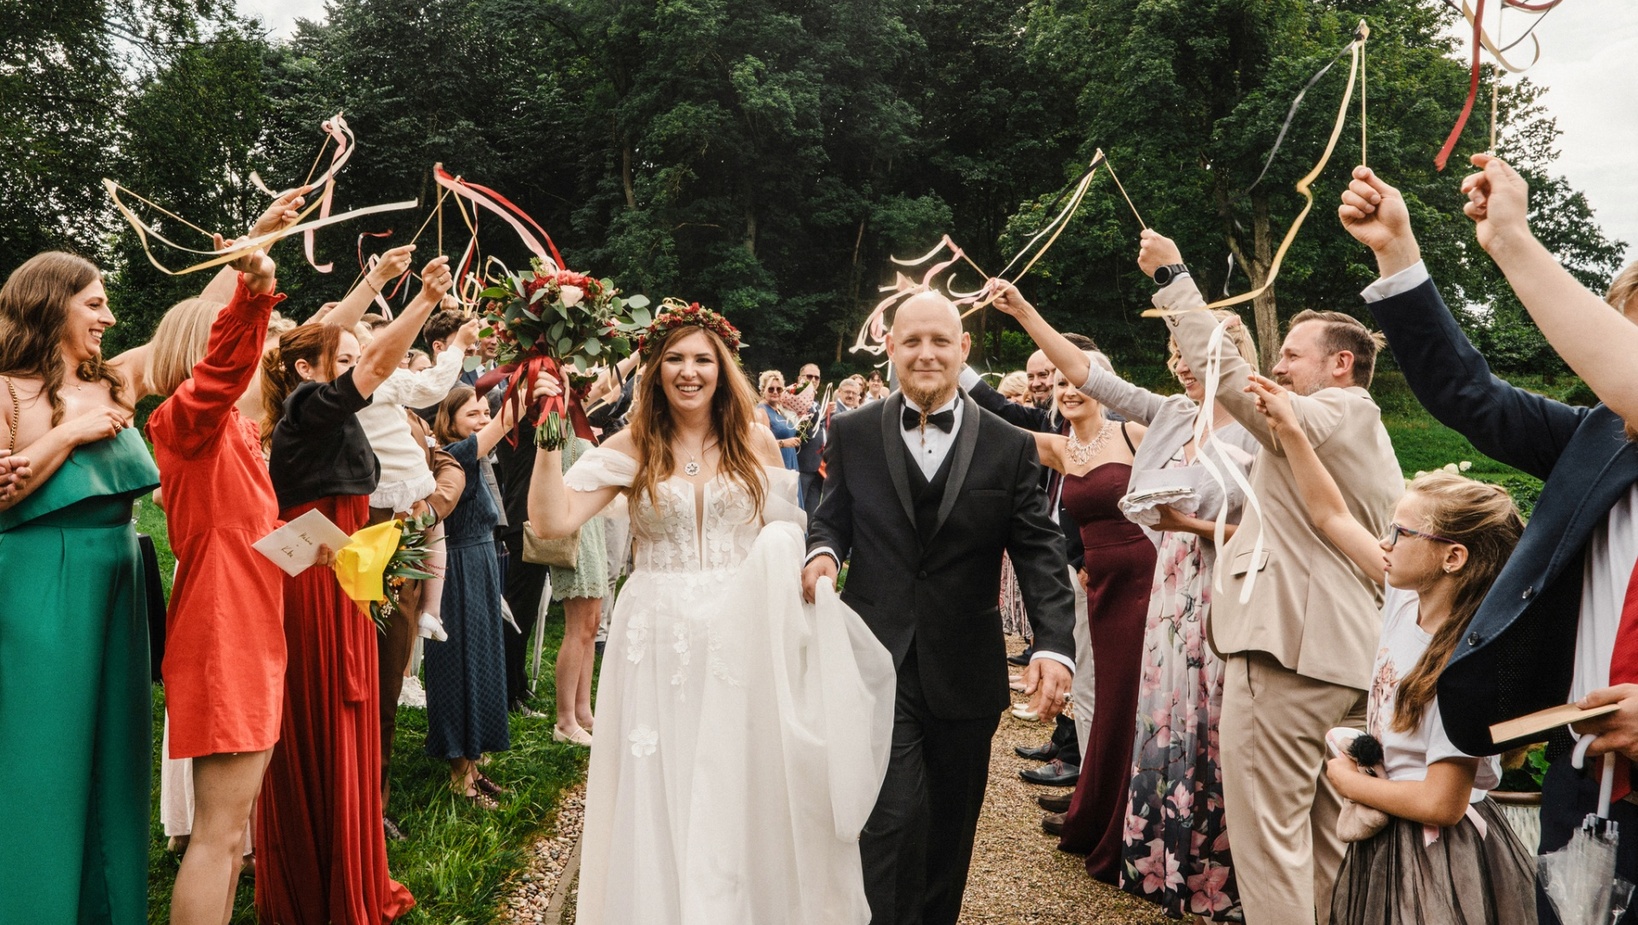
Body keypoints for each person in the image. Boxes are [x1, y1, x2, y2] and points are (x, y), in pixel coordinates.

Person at [1339, 157, 1638, 924]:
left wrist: (1512, 240)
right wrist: (1397, 253)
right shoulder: (1597, 438)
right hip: (1585, 779)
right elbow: (1467, 392)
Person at [527, 301, 895, 923]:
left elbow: (786, 532)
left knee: (739, 778)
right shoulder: (631, 444)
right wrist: (547, 434)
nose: (688, 371)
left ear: (723, 369)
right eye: (674, 358)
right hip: (656, 635)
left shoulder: (755, 440)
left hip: (741, 635)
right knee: (662, 778)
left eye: (702, 359)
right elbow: (552, 521)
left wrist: (804, 575)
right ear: (654, 369)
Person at [1141, 229, 1403, 924]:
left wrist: (1173, 277)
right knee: (1320, 841)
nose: (1279, 369)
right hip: (1345, 657)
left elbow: (1236, 387)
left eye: (1290, 355)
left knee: (1267, 842)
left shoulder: (1332, 412)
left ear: (1341, 364)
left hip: (1289, 653)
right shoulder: (1356, 428)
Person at [802, 290, 1077, 925]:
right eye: (913, 341)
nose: (927, 353)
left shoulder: (1011, 445)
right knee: (890, 820)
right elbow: (833, 517)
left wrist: (1054, 645)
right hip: (875, 661)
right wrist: (821, 552)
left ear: (964, 349)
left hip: (965, 668)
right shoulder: (853, 432)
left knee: (950, 830)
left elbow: (1040, 552)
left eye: (941, 341)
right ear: (891, 348)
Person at [990, 280, 1259, 917]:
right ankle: (1165, 858)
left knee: (1215, 729)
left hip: (1226, 589)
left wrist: (1190, 526)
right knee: (1163, 721)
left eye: (1189, 358)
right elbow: (1089, 375)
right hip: (1169, 592)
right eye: (1174, 358)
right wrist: (1026, 309)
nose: (1178, 368)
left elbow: (1280, 521)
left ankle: (1220, 872)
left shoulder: (1258, 429)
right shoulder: (1168, 415)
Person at [1248, 372, 1537, 925]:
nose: (1385, 543)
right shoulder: (1404, 598)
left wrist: (1349, 782)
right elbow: (1330, 515)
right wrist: (1290, 430)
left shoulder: (1465, 664)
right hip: (1388, 836)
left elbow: (1442, 804)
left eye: (1402, 534)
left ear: (1452, 558)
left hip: (1436, 859)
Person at [253, 255, 452, 924]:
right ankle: (321, 878)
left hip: (351, 564)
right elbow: (370, 366)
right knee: (326, 713)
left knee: (361, 704)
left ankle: (353, 859)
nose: (357, 365)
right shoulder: (308, 406)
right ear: (308, 371)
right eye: (339, 357)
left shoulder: (325, 413)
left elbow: (362, 365)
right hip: (316, 580)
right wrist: (422, 301)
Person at [0, 251, 159, 923]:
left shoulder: (116, 380)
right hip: (39, 589)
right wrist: (69, 432)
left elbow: (194, 331)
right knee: (42, 762)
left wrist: (252, 252)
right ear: (49, 302)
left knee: (116, 760)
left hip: (119, 586)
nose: (109, 316)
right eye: (94, 303)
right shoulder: (6, 389)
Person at [145, 239, 287, 925]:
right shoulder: (184, 422)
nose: (260, 354)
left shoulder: (234, 431)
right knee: (218, 834)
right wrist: (252, 296)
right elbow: (222, 372)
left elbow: (247, 533)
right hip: (221, 629)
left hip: (252, 626)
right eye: (242, 340)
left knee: (236, 838)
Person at [1008, 352, 1154, 883]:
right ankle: (1095, 809)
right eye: (1061, 385)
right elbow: (993, 425)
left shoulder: (1136, 433)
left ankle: (1134, 821)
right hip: (1098, 584)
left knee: (1135, 701)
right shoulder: (1062, 448)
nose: (1069, 391)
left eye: (1079, 382)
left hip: (1144, 583)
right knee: (1100, 697)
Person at [429, 384, 524, 805]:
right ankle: (458, 775)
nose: (484, 420)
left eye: (486, 412)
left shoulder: (480, 460)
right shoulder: (454, 454)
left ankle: (475, 760)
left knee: (484, 660)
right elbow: (508, 420)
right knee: (461, 664)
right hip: (458, 568)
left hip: (483, 564)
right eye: (473, 414)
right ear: (450, 421)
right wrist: (535, 371)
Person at [547, 433, 607, 747]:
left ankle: (583, 711)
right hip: (574, 531)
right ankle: (565, 719)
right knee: (578, 626)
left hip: (592, 526)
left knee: (592, 624)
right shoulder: (556, 421)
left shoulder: (579, 422)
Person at [795, 362, 827, 517]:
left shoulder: (817, 404)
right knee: (799, 512)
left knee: (812, 514)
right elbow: (799, 432)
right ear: (800, 378)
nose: (813, 380)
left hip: (818, 466)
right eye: (809, 376)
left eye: (817, 378)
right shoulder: (793, 400)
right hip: (801, 465)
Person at [756, 369, 801, 470]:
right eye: (771, 389)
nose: (775, 392)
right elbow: (761, 445)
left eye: (779, 389)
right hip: (777, 464)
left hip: (790, 461)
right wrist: (784, 443)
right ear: (763, 390)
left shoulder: (780, 410)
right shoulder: (762, 411)